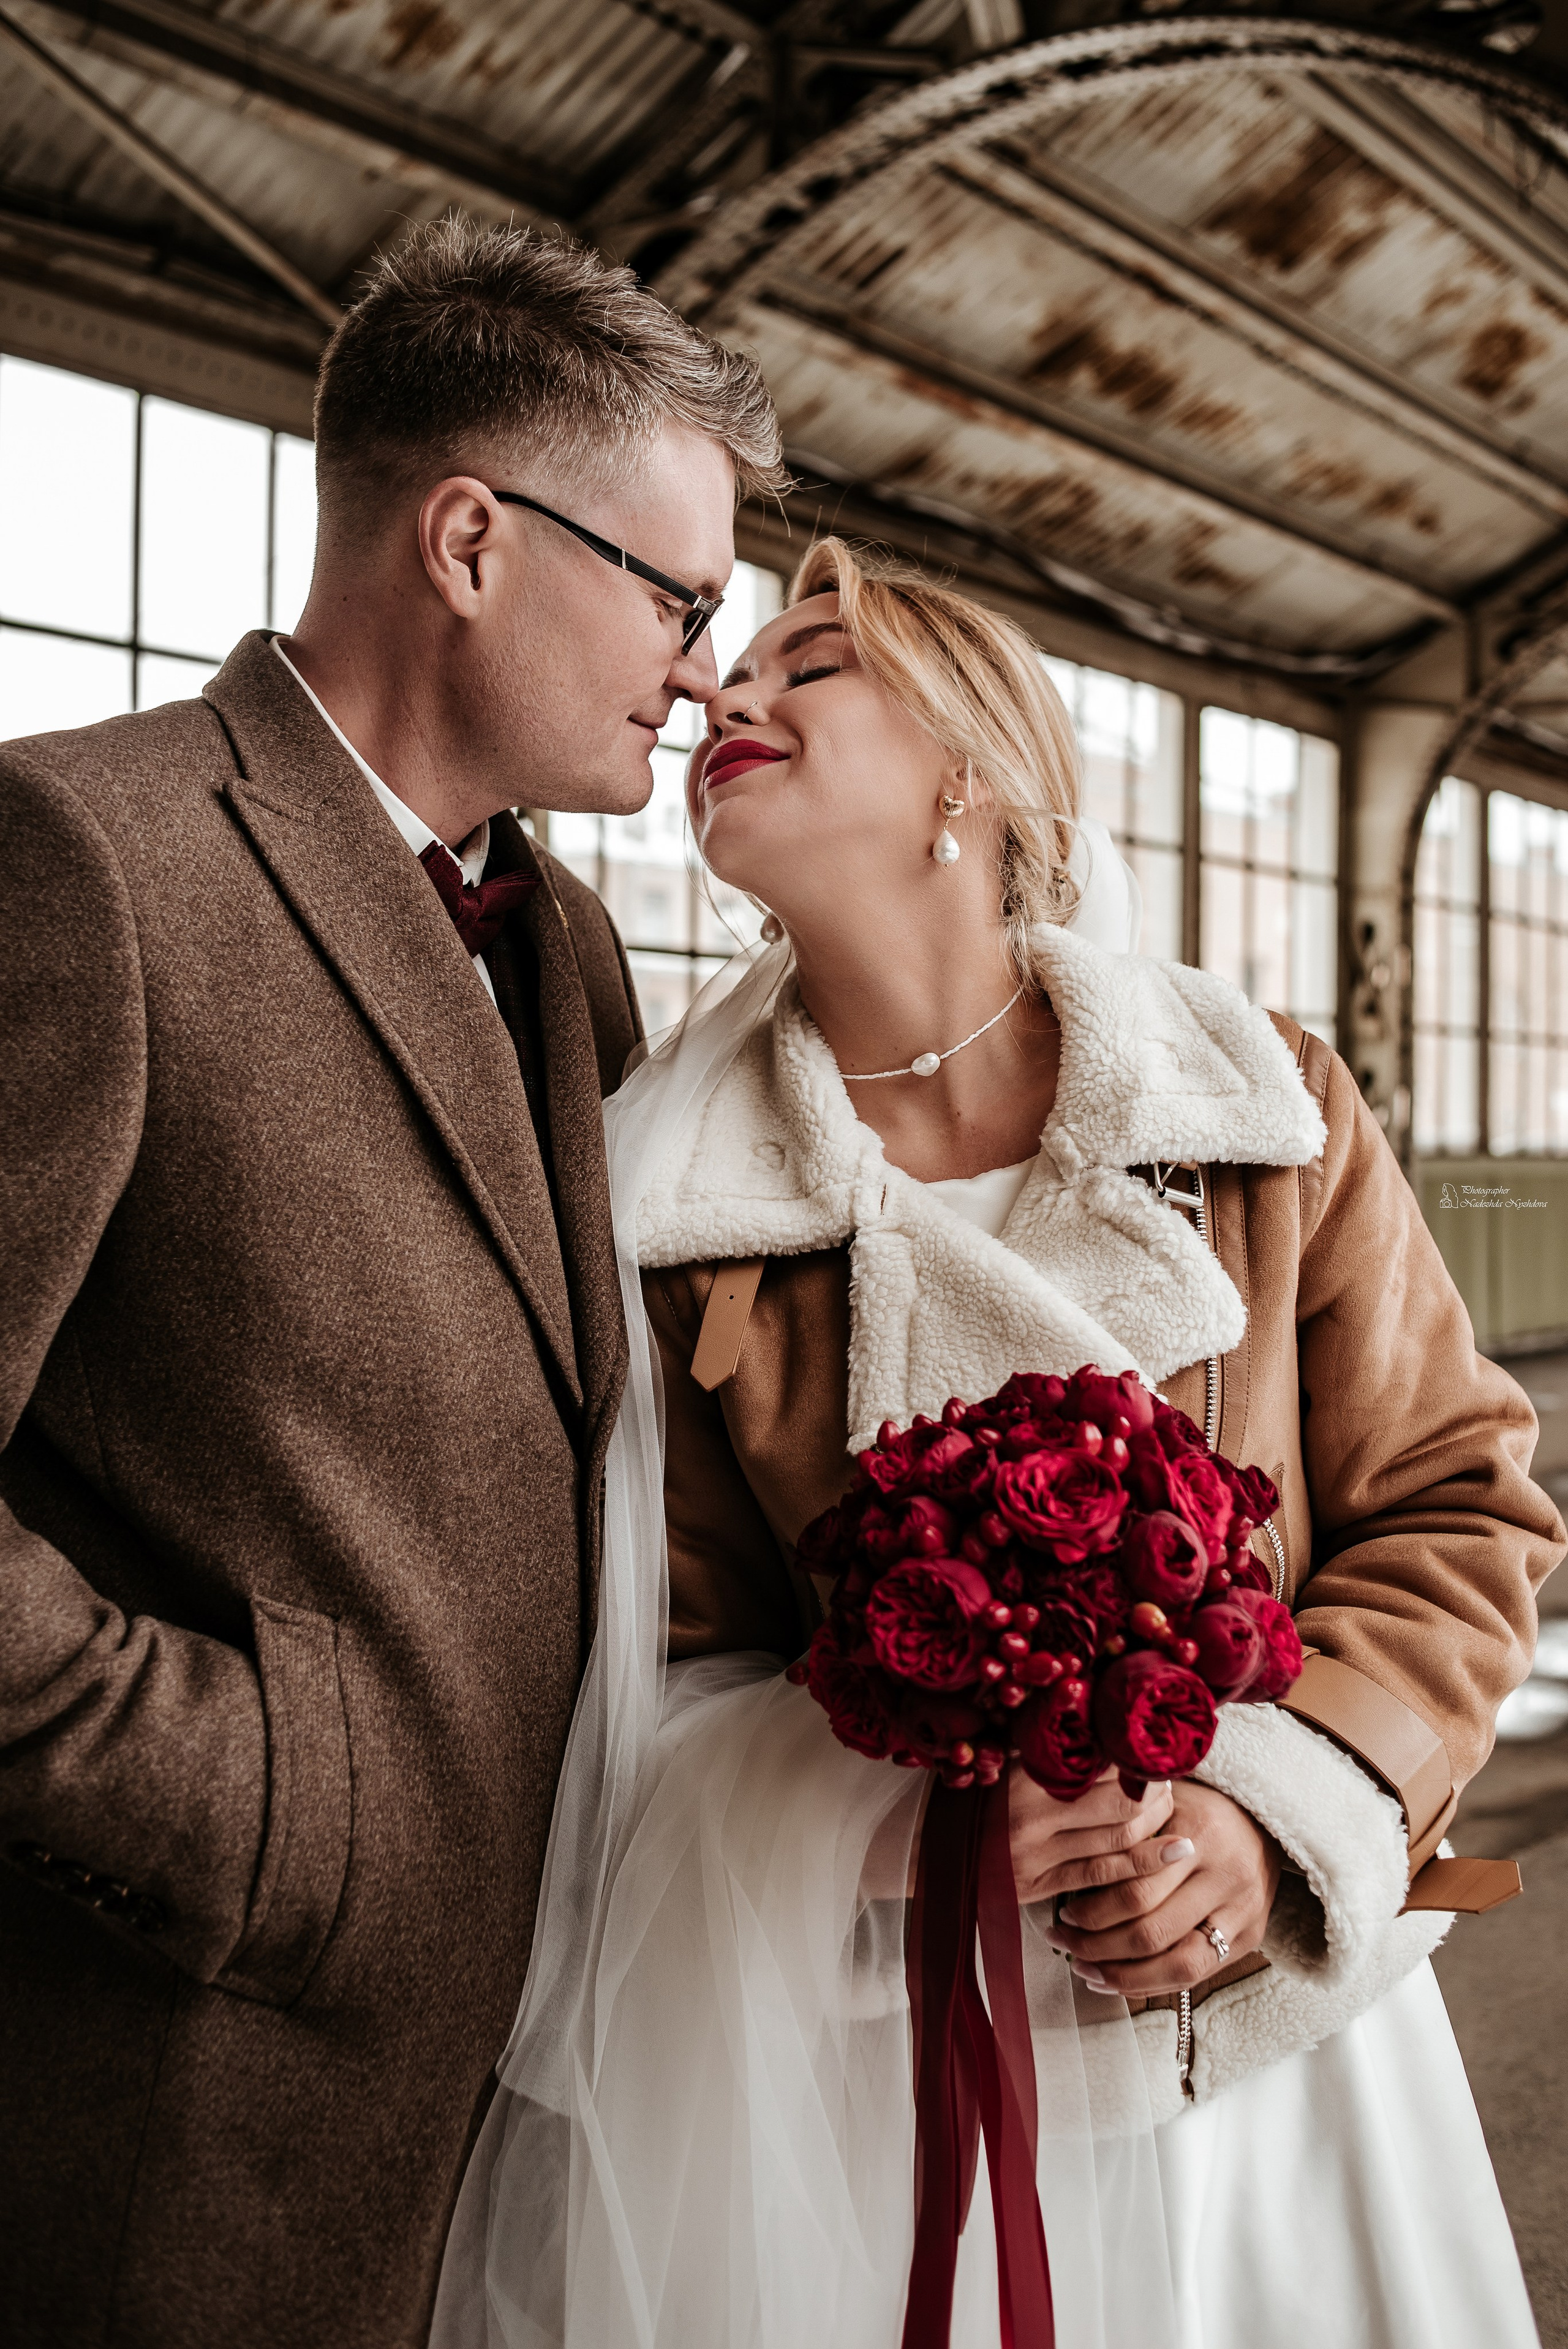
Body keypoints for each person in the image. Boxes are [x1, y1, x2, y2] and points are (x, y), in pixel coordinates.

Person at [437, 538, 1562, 2348]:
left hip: (1262, 2061)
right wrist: (914, 1839)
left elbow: (1458, 1504)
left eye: (810, 668)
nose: (729, 693)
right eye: (736, 669)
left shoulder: (1265, 1103)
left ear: (969, 758)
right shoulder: (664, 1199)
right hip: (894, 2071)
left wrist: (1267, 1819)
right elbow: (665, 1663)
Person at [0, 217, 784, 2348]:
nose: (709, 667)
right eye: (679, 594)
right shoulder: (86, 858)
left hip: (536, 2084)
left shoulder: (578, 951)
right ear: (466, 539)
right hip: (197, 2090)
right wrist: (259, 1807)